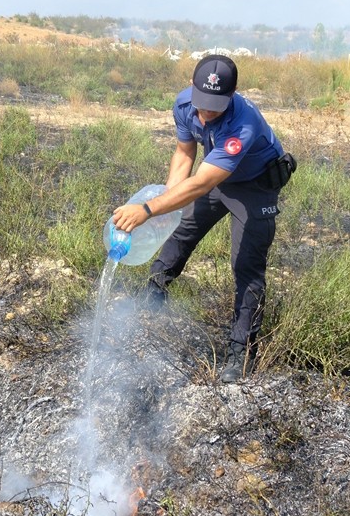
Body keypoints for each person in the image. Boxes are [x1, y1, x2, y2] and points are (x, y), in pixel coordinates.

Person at [111, 54, 290, 383]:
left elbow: (203, 181)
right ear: (192, 88)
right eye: (201, 102)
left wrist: (148, 210)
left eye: (215, 106)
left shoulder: (243, 124)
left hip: (254, 187)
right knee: (181, 230)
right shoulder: (183, 104)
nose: (206, 113)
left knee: (245, 265)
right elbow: (184, 153)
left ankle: (242, 352)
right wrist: (163, 208)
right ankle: (153, 295)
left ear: (232, 95)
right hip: (214, 176)